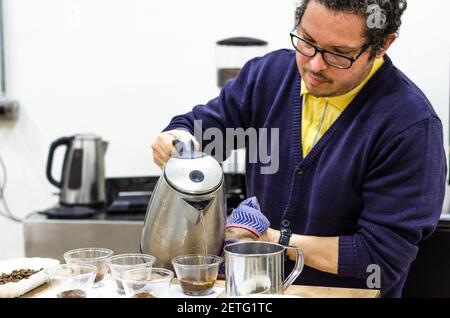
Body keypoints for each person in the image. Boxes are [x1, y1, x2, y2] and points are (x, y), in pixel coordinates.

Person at [151, 0, 447, 297]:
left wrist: (273, 240)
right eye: (307, 41)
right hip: (256, 293)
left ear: (382, 45)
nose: (315, 65)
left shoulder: (409, 127)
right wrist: (178, 139)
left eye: (339, 54)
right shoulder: (268, 77)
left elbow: (380, 258)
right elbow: (206, 133)